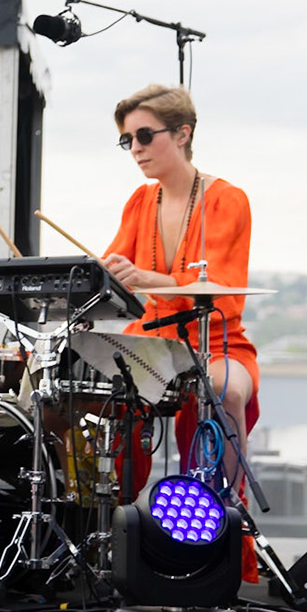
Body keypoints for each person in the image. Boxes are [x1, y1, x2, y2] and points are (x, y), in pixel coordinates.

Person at [101, 83, 259, 508]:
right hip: (151, 339)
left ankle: (224, 512)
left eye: (144, 135)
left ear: (182, 134)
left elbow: (222, 293)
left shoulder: (227, 200)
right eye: (127, 140)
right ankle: (109, 508)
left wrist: (146, 278)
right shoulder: (140, 201)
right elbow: (113, 271)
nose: (135, 148)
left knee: (227, 391)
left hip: (216, 342)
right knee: (84, 383)